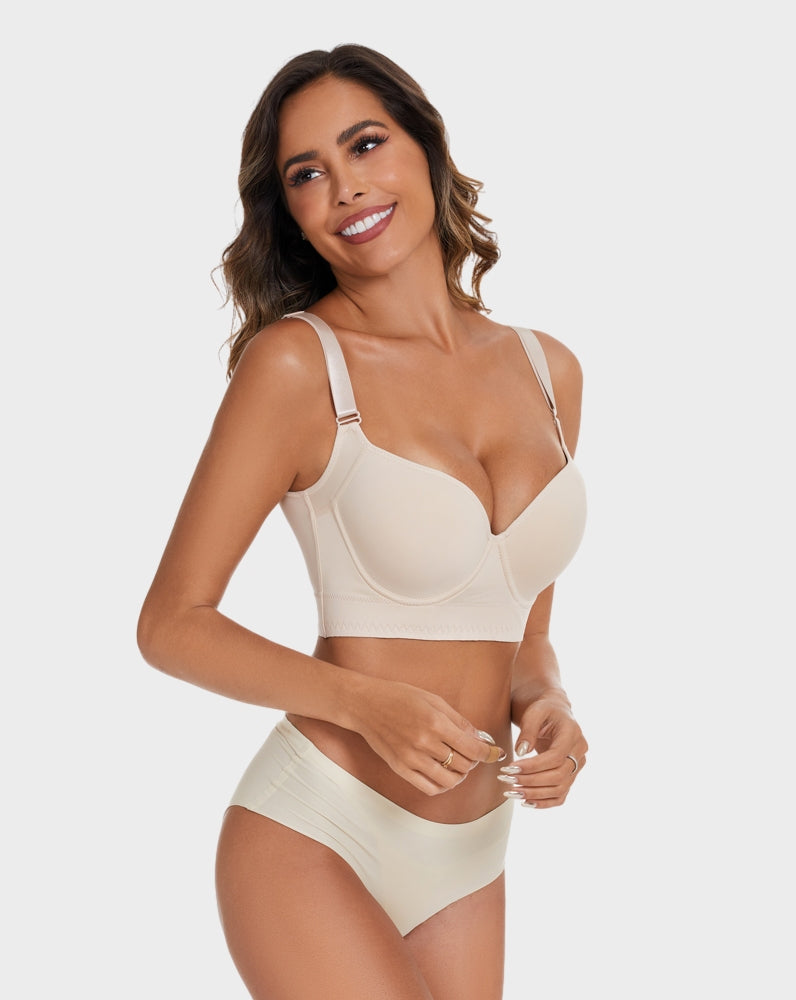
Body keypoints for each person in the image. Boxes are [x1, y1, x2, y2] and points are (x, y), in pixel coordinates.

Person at [137, 43, 589, 1000]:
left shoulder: (549, 371)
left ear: (426, 146)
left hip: (473, 851)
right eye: (307, 174)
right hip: (319, 828)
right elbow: (171, 624)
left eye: (366, 144)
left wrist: (549, 705)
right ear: (292, 212)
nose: (345, 187)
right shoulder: (298, 366)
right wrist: (364, 705)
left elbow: (523, 628)